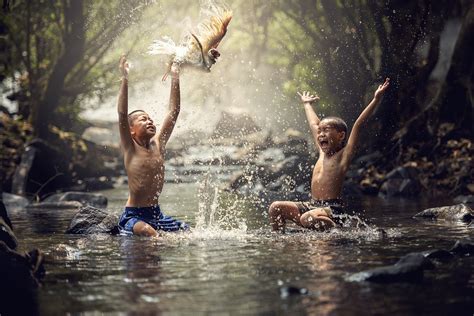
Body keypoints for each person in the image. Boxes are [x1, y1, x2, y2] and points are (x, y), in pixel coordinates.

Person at [268, 78, 390, 232]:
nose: (321, 134)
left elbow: (359, 123)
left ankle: (336, 233)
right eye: (320, 132)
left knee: (307, 218)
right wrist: (307, 104)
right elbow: (314, 124)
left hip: (333, 209)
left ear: (340, 135)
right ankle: (279, 240)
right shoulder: (321, 152)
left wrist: (376, 99)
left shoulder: (343, 155)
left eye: (326, 130)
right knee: (276, 207)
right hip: (313, 206)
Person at [116, 55, 189, 237]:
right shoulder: (130, 148)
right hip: (134, 215)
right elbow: (122, 113)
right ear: (131, 129)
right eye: (143, 119)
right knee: (150, 233)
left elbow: (174, 111)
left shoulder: (158, 144)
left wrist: (175, 76)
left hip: (157, 214)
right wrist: (124, 79)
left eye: (150, 119)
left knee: (188, 232)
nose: (149, 121)